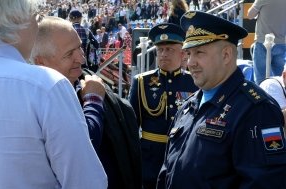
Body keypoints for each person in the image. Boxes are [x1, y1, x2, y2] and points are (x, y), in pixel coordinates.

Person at [0, 0, 107, 188]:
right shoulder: (46, 85)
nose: (36, 25)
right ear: (16, 20)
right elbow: (87, 182)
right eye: (36, 17)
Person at [157, 11, 286, 189]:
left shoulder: (256, 110)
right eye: (189, 54)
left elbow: (264, 182)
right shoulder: (189, 105)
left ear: (226, 55)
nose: (190, 63)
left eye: (199, 52)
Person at [31, 16, 142, 189]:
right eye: (69, 54)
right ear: (40, 62)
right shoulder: (34, 104)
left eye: (79, 49)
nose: (82, 59)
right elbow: (80, 151)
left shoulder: (92, 83)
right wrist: (94, 101)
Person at [128, 23, 198, 189]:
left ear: (183, 54)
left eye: (169, 49)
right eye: (160, 50)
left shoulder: (194, 82)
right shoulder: (141, 82)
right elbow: (132, 126)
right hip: (150, 158)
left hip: (183, 154)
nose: (163, 54)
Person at [247, 0, 286, 85]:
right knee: (281, 80)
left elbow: (250, 15)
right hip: (281, 43)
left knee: (261, 80)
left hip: (262, 43)